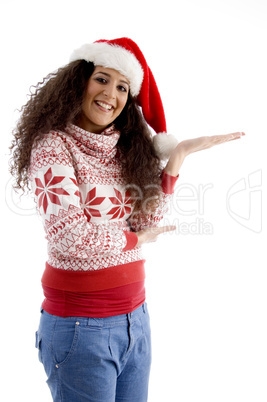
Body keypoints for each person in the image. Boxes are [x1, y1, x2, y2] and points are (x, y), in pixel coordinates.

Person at [9, 37, 244, 402]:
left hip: (137, 319)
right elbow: (70, 237)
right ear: (80, 81)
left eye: (123, 87)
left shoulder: (123, 148)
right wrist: (134, 241)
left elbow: (145, 216)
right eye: (102, 79)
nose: (111, 94)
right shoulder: (53, 145)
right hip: (80, 328)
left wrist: (176, 159)